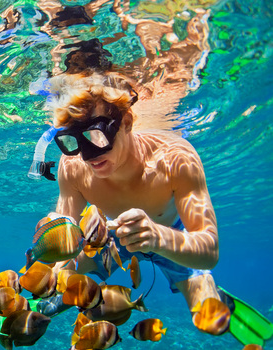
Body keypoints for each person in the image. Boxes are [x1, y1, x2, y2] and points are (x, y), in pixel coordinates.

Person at [33, 70, 271, 345]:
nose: (88, 154)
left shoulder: (176, 159)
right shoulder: (72, 167)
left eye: (97, 136)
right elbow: (66, 241)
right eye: (72, 141)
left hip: (172, 234)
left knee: (206, 316)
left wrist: (158, 237)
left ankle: (218, 299)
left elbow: (210, 250)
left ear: (127, 123)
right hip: (108, 235)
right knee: (59, 277)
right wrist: (55, 248)